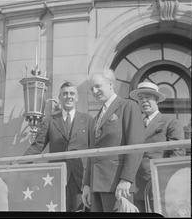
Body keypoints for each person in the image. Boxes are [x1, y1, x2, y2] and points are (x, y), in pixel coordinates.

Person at [24, 81, 93, 212]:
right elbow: (37, 146)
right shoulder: (50, 121)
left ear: (77, 97)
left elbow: (94, 148)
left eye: (72, 93)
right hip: (57, 178)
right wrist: (19, 163)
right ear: (59, 98)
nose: (68, 96)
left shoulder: (88, 120)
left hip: (82, 180)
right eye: (65, 94)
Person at [82, 69, 144, 212]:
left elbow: (135, 146)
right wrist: (87, 184)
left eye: (98, 86)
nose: (94, 91)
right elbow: (91, 154)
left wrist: (126, 179)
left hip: (118, 185)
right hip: (96, 187)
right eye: (92, 89)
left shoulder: (128, 106)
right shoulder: (95, 119)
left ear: (110, 84)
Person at [129, 81, 186, 212]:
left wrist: (164, 179)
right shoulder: (134, 124)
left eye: (148, 97)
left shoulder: (170, 122)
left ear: (157, 100)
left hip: (158, 183)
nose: (144, 101)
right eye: (140, 98)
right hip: (135, 185)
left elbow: (178, 153)